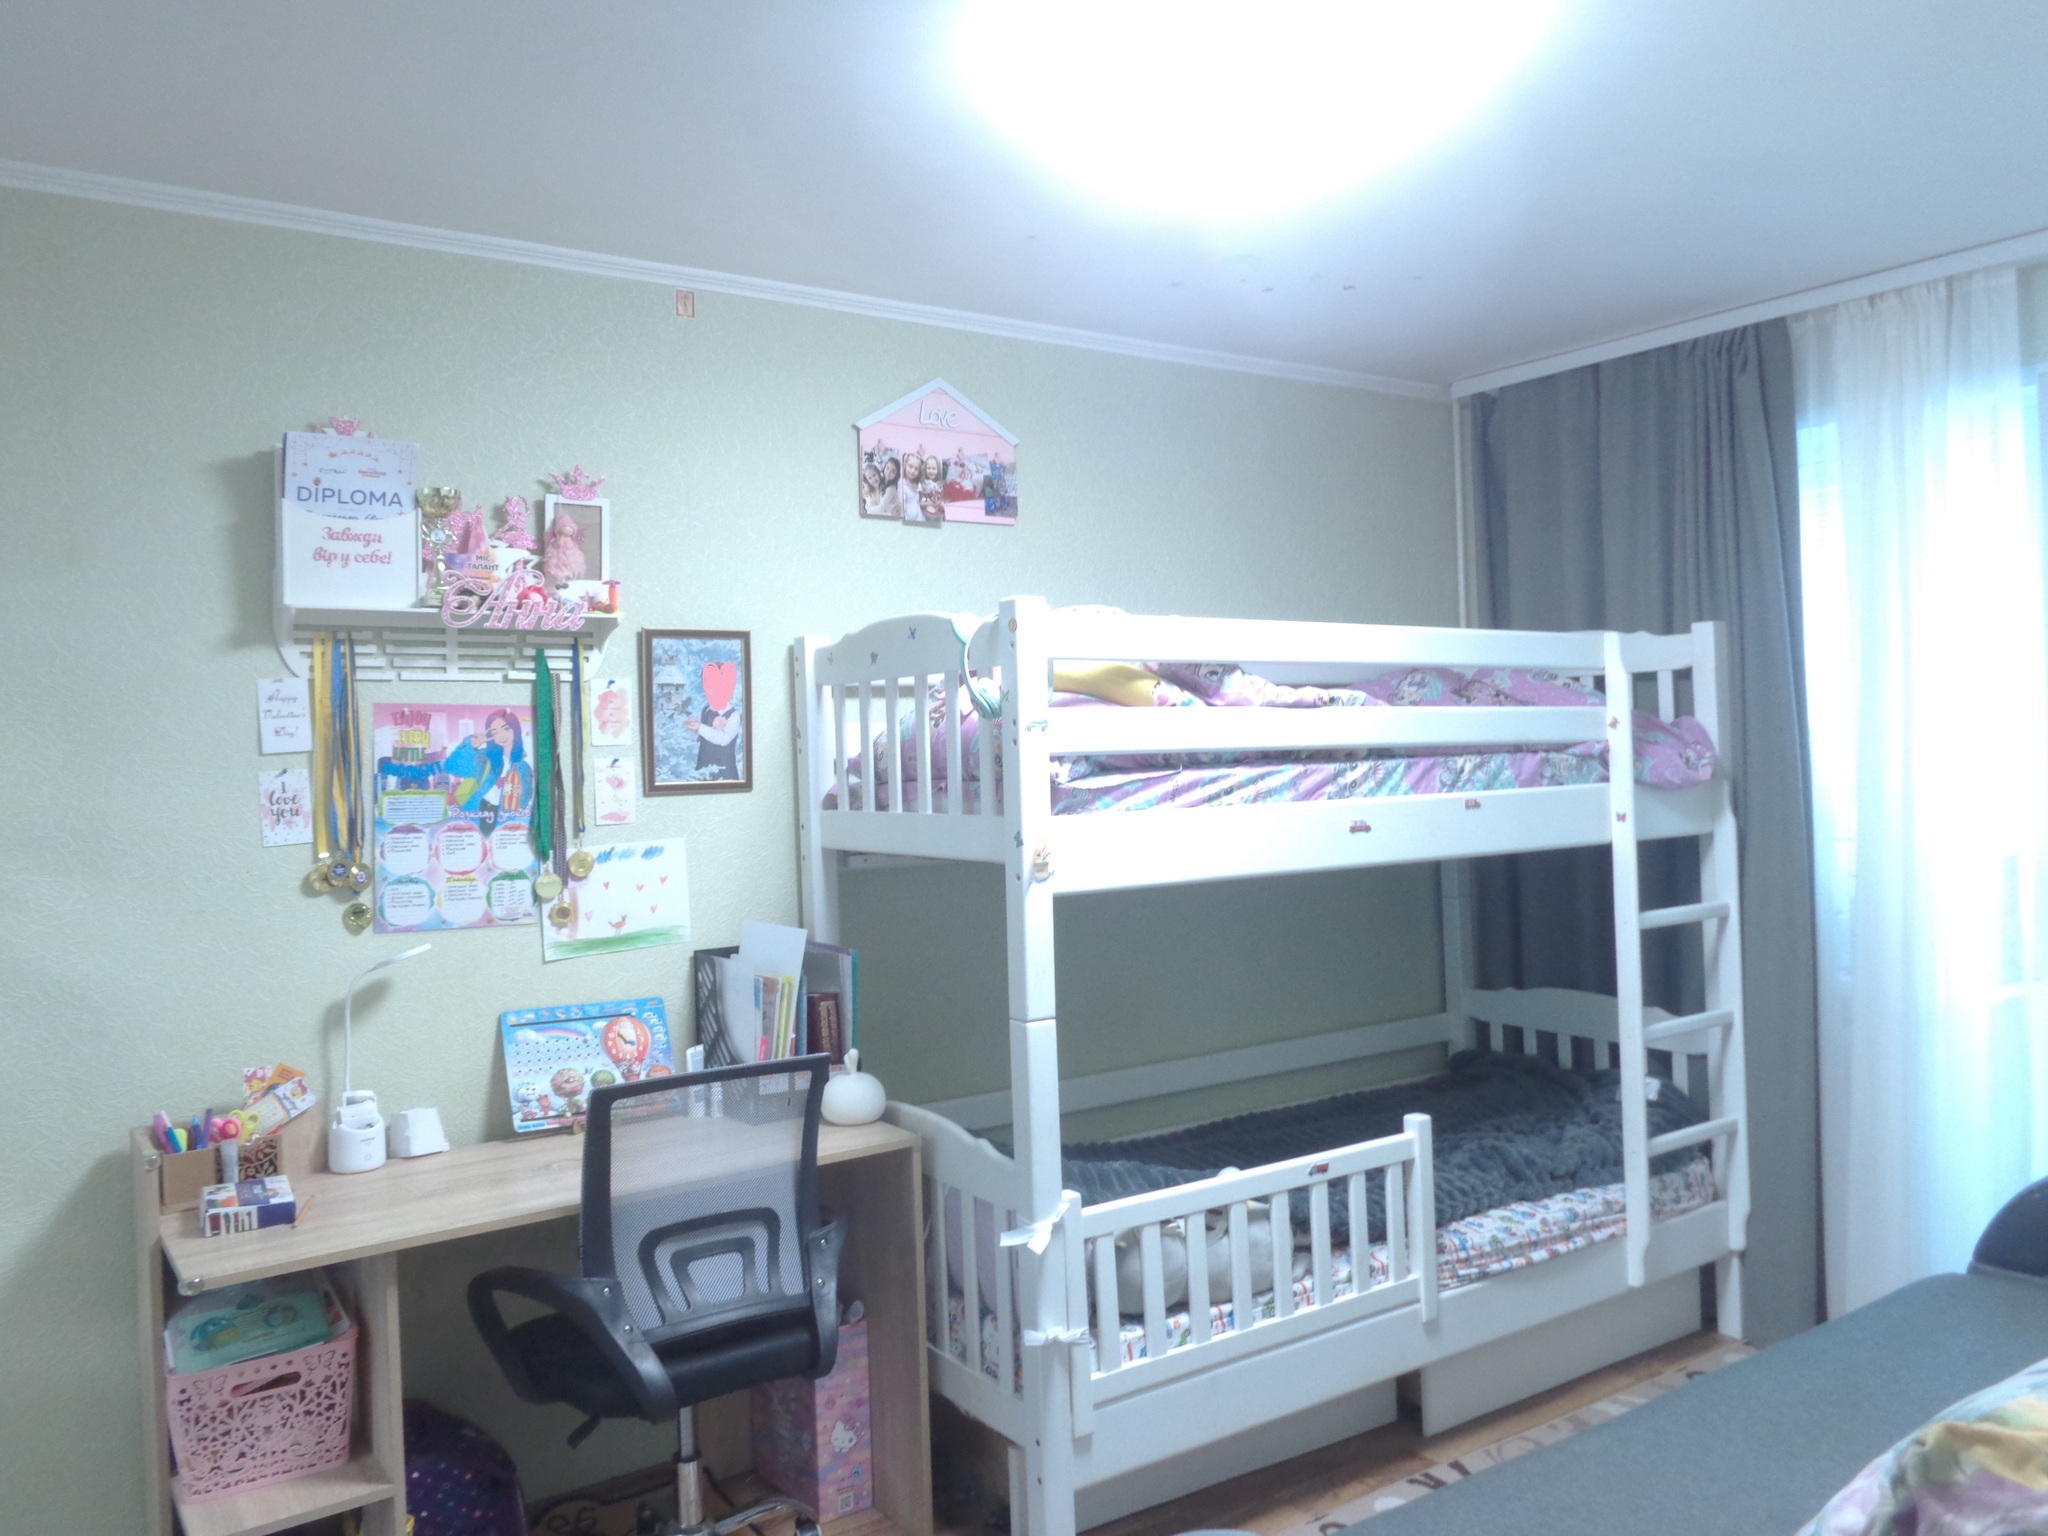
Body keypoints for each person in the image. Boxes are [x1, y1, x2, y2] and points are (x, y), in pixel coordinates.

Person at [441, 709, 533, 814]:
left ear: (515, 729)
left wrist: (521, 795)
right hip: (474, 817)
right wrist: (470, 746)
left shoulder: (523, 767)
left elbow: (525, 799)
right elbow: (451, 766)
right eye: (495, 732)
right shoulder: (484, 757)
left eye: (506, 729)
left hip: (506, 820)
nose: (501, 735)